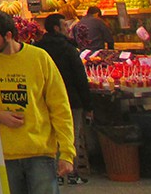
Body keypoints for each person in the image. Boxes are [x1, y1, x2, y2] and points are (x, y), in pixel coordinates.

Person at [0, 11, 74, 194]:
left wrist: (67, 152)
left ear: (8, 35)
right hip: (2, 155)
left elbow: (60, 107)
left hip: (39, 154)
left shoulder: (39, 58)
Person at [35, 14, 92, 185]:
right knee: (70, 136)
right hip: (71, 100)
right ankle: (72, 174)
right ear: (56, 28)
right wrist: (88, 104)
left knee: (50, 137)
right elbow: (80, 78)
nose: (68, 29)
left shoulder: (38, 49)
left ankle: (56, 175)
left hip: (44, 101)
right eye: (65, 26)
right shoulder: (68, 49)